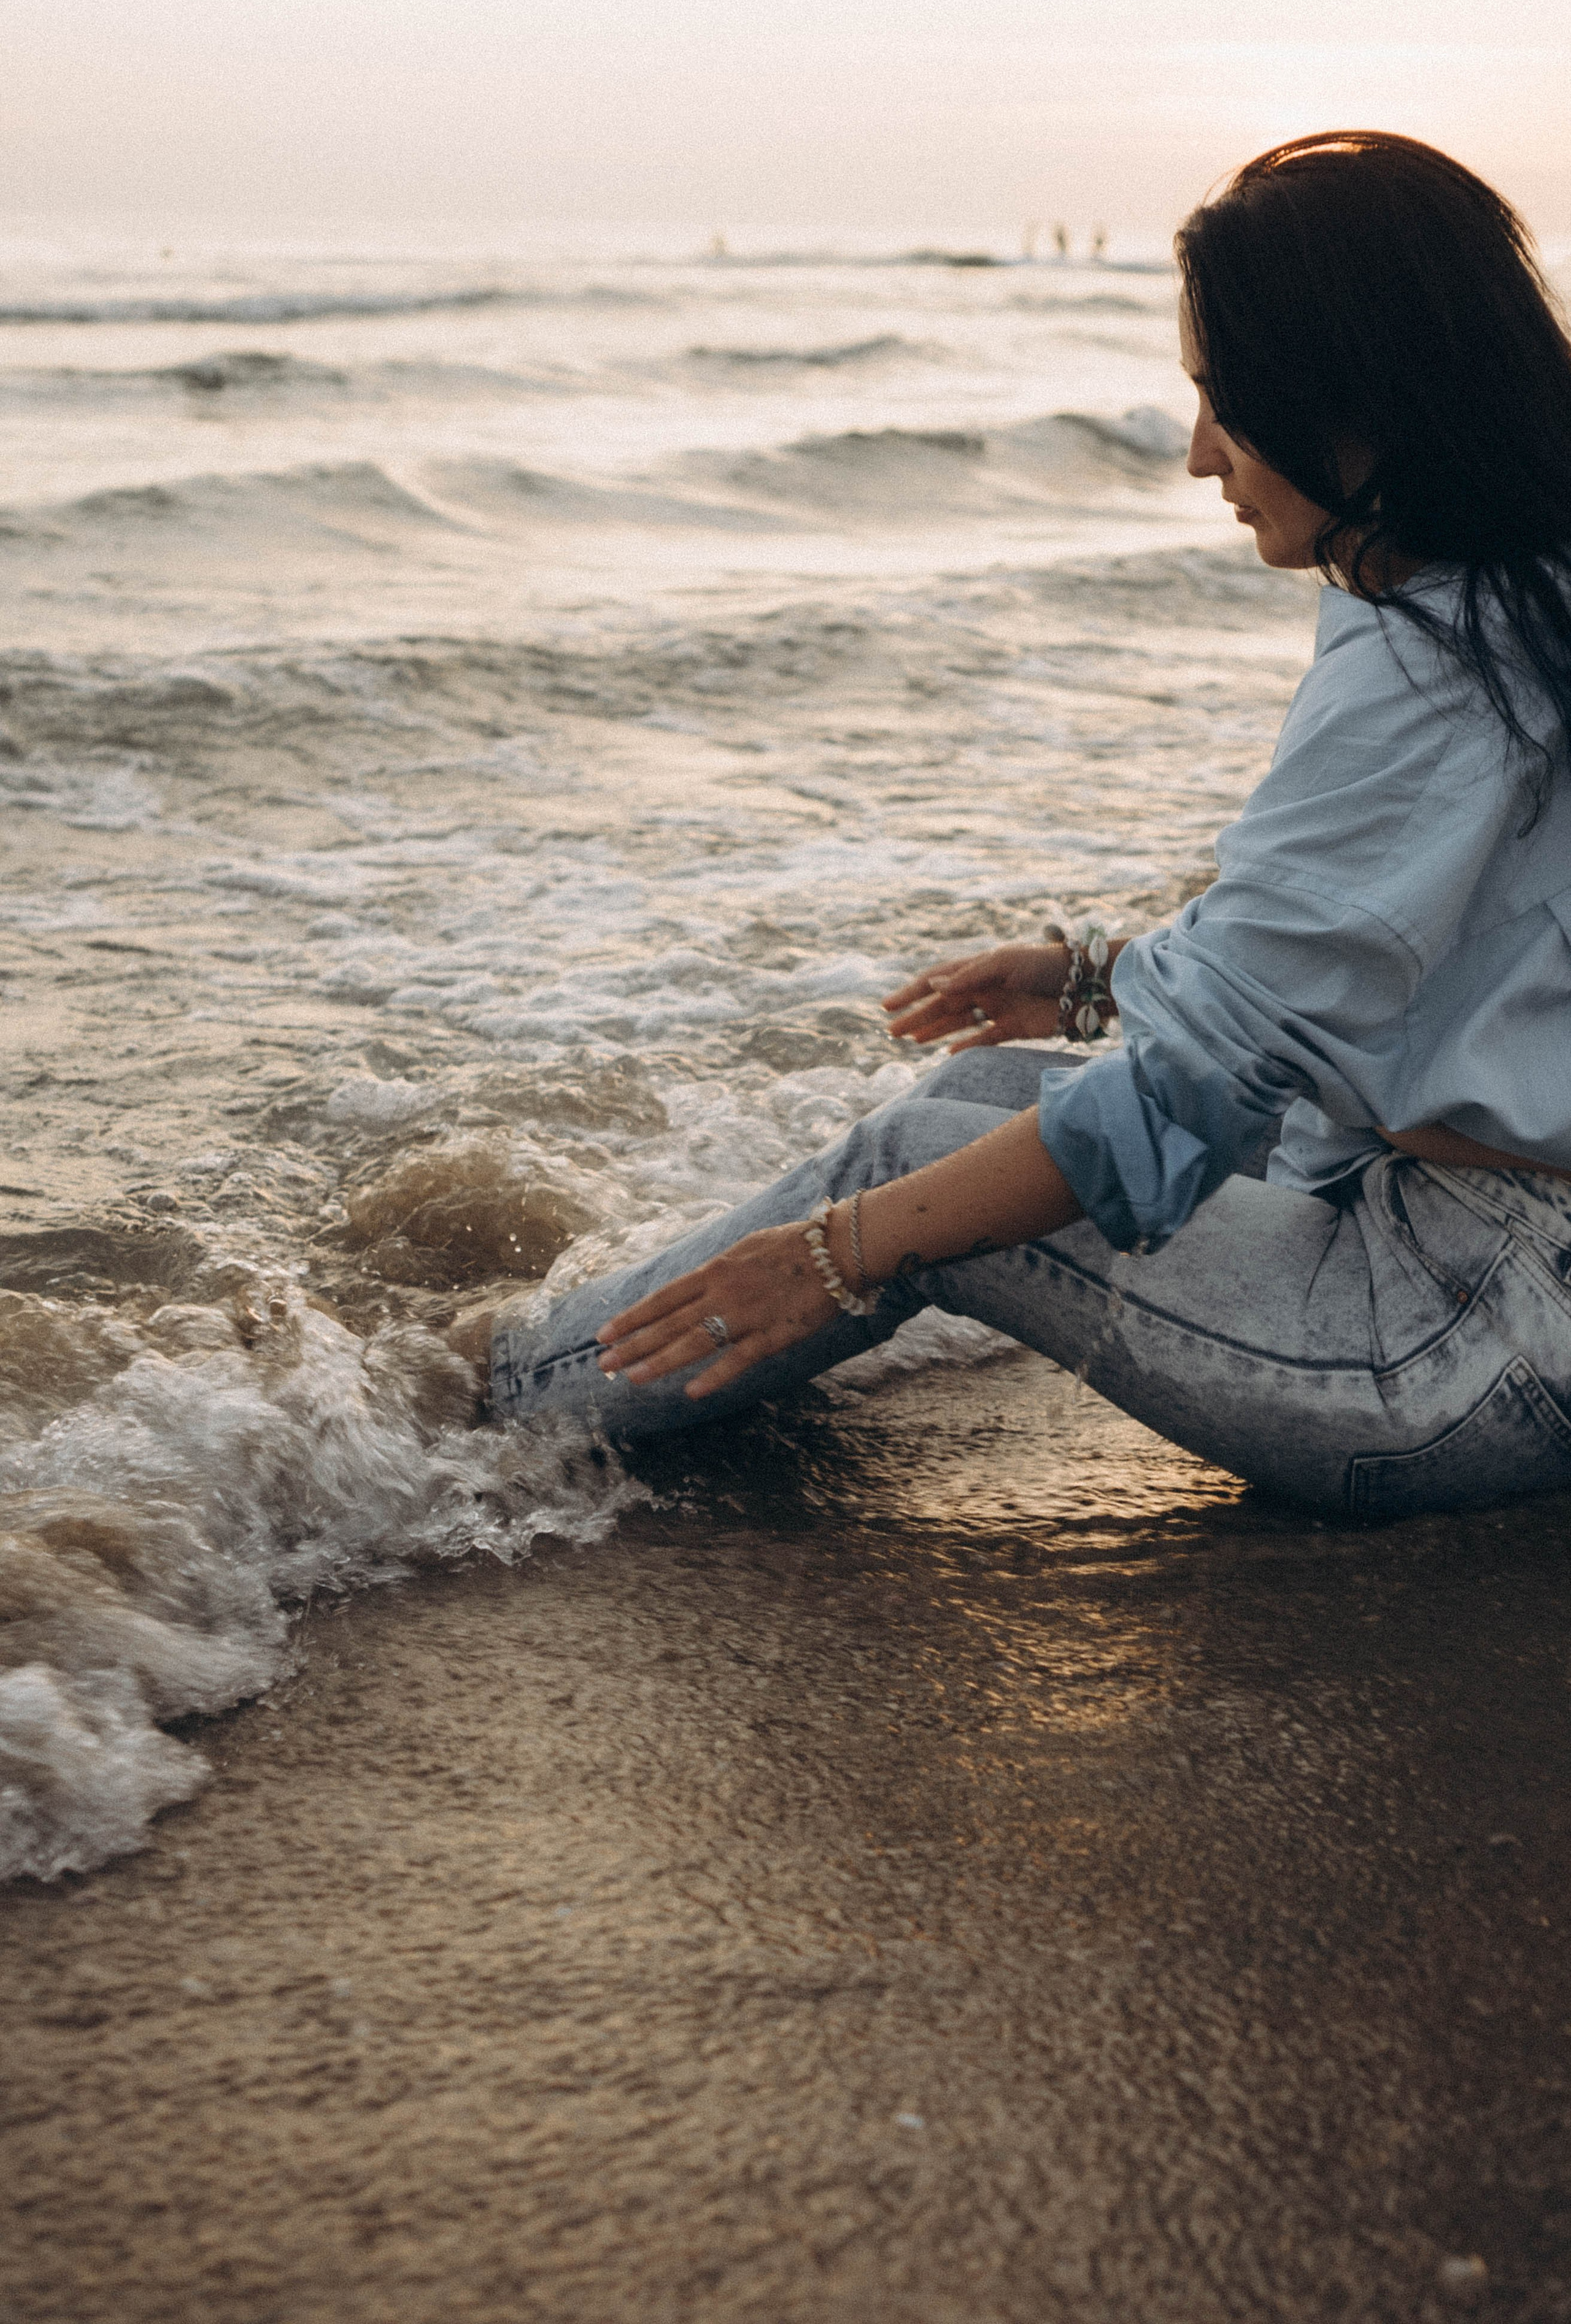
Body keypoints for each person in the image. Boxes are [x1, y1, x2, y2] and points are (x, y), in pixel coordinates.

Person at [470, 131, 1571, 1520]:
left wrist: (829, 1255)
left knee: (907, 1173)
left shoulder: (1432, 659)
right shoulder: (1527, 594)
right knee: (971, 1108)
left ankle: (481, 1410)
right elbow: (1393, 941)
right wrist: (1093, 976)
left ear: (1348, 398)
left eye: (1218, 401)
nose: (1194, 457)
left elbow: (1192, 1093)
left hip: (1456, 1351)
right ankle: (580, 1373)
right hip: (1505, 1285)